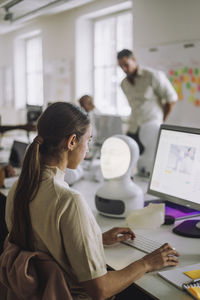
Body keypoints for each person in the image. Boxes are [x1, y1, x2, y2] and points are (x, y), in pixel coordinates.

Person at [4, 102, 179, 300]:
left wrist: (95, 239)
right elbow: (100, 290)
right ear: (71, 142)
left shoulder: (19, 187)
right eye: (88, 140)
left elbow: (44, 246)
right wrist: (147, 262)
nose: (87, 151)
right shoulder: (69, 200)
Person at [117, 49, 178, 153]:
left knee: (150, 160)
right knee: (129, 157)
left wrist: (161, 121)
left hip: (151, 127)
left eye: (126, 65)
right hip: (134, 128)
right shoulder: (123, 84)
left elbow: (171, 99)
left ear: (134, 60)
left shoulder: (153, 76)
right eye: (121, 66)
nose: (124, 69)